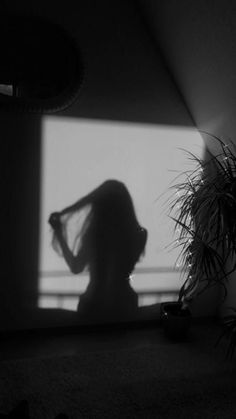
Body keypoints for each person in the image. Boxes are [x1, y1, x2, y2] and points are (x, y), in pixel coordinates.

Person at [49, 180, 147, 320]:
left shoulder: (94, 236)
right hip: (125, 304)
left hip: (93, 303)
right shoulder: (140, 235)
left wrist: (59, 233)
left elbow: (76, 267)